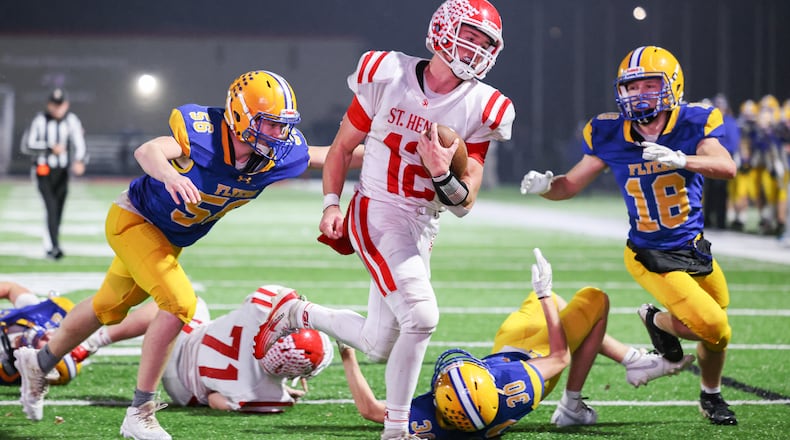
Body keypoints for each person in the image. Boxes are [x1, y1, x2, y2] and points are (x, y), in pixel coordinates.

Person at [14, 69, 349, 440]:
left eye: (281, 125)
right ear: (240, 116)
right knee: (179, 304)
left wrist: (396, 154)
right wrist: (170, 177)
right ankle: (140, 412)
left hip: (167, 238)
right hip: (134, 219)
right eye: (268, 124)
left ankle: (38, 362)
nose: (278, 134)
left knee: (108, 307)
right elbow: (149, 151)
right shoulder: (203, 133)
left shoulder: (276, 157)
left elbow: (335, 154)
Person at [256, 2, 514, 439]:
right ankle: (396, 430)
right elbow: (340, 149)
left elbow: (464, 203)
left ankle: (298, 312)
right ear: (444, 30)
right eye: (470, 35)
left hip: (422, 224)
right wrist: (331, 205)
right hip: (377, 207)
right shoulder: (387, 73)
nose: (477, 48)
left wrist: (439, 172)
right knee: (422, 317)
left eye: (486, 42)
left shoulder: (483, 106)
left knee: (379, 343)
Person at [519, 46, 738, 426]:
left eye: (651, 84)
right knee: (713, 325)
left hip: (692, 246)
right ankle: (660, 323)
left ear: (673, 85)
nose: (640, 94)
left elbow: (726, 166)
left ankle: (710, 392)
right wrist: (545, 187)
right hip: (649, 254)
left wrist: (682, 159)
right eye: (632, 86)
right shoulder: (610, 134)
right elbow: (569, 184)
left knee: (718, 333)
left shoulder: (693, 122)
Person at [337, 249, 694, 438]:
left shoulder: (439, 422)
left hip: (507, 344)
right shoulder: (514, 387)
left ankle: (632, 359)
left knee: (558, 307)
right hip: (535, 357)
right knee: (592, 301)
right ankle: (572, 405)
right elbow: (559, 355)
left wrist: (347, 353)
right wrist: (543, 293)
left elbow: (370, 409)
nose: (446, 374)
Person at [76, 285, 334, 413]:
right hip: (182, 389)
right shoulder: (266, 396)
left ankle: (94, 341)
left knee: (184, 301)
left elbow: (280, 301)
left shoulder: (261, 310)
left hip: (183, 340)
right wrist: (277, 387)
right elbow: (214, 400)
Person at [21, 88, 88, 260]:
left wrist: (80, 160)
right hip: (43, 170)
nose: (57, 109)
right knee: (50, 207)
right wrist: (50, 148)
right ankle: (52, 247)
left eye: (61, 105)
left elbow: (79, 143)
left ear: (66, 105)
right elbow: (27, 145)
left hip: (63, 171)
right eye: (54, 105)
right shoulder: (39, 120)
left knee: (58, 208)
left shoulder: (72, 120)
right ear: (49, 105)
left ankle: (53, 243)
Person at [0, 282, 84, 386]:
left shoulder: (7, 368)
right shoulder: (39, 317)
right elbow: (10, 288)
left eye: (52, 345)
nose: (49, 335)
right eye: (58, 336)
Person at [703, 94, 740, 229]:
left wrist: (716, 149)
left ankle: (720, 221)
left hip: (722, 159)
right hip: (709, 160)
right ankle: (707, 219)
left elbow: (733, 144)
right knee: (708, 191)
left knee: (721, 192)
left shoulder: (729, 122)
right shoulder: (710, 121)